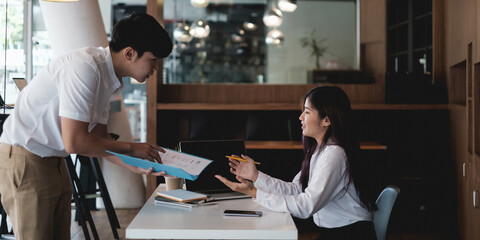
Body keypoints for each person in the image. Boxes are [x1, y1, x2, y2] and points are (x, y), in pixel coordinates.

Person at [0, 13, 172, 240]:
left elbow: (99, 141)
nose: (155, 69)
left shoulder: (109, 78)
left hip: (54, 160)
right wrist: (132, 148)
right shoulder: (85, 68)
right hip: (26, 158)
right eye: (153, 60)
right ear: (130, 53)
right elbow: (76, 142)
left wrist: (133, 165)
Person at [216, 86, 378, 240]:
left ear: (326, 120)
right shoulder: (319, 150)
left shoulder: (334, 154)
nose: (301, 117)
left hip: (351, 234)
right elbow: (296, 190)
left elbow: (306, 206)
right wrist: (256, 176)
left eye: (307, 112)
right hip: (334, 233)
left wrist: (255, 193)